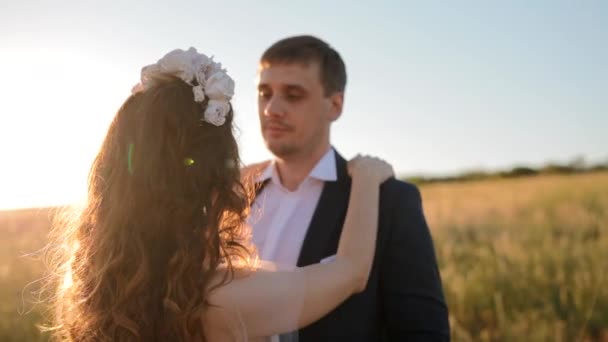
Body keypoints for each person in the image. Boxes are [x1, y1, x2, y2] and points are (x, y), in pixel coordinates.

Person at [42, 47, 393, 341]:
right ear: (211, 181)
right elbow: (351, 271)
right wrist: (366, 176)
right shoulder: (220, 302)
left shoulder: (95, 284)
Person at [249, 35, 450, 341]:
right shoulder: (232, 194)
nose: (271, 109)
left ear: (335, 105)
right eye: (264, 93)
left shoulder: (389, 200)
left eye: (293, 95)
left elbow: (423, 332)